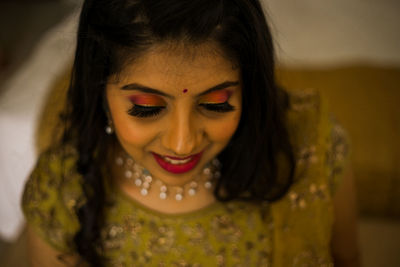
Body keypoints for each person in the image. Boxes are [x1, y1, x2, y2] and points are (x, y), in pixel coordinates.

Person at [21, 0, 360, 266]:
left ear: (248, 90)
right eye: (146, 108)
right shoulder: (63, 190)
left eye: (215, 104)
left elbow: (347, 260)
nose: (182, 143)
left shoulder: (308, 148)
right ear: (100, 94)